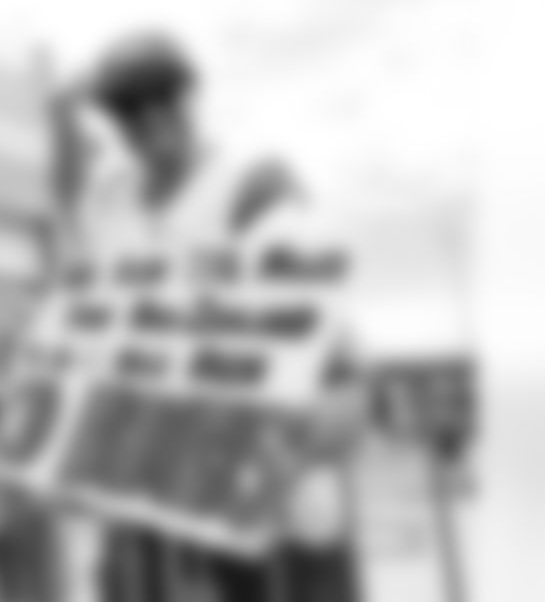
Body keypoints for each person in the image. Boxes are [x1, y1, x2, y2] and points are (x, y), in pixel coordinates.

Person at [71, 31, 356, 602]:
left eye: (163, 95)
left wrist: (334, 403)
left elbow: (318, 336)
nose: (149, 117)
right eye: (127, 106)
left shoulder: (253, 182)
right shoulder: (108, 201)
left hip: (261, 497)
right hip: (150, 497)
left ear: (188, 96)